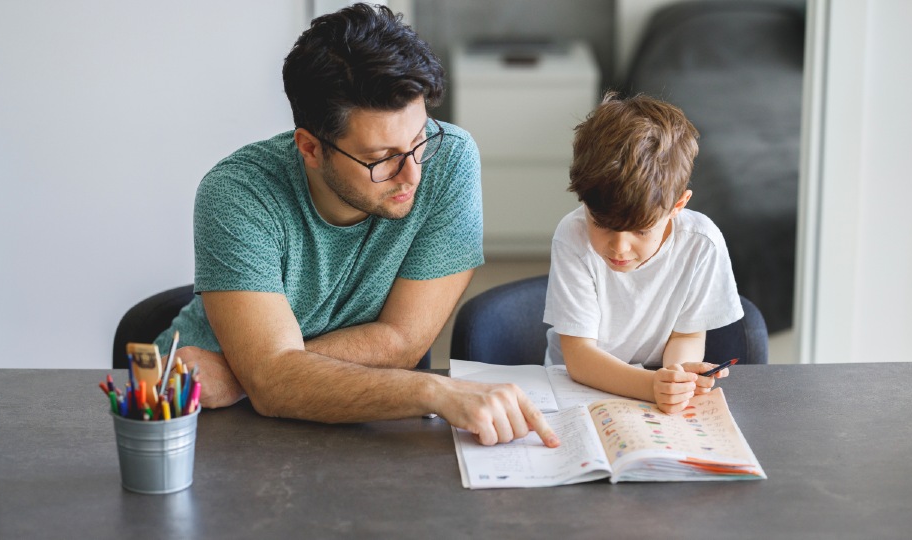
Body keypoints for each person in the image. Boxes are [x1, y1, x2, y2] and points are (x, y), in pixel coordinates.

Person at [154, 4, 558, 448]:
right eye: (380, 158)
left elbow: (402, 341)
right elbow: (271, 387)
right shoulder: (237, 193)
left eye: (420, 138)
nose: (412, 175)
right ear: (310, 148)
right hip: (205, 413)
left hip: (284, 398)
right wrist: (434, 390)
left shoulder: (450, 161)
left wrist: (253, 373)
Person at [543, 92, 744, 414]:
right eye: (603, 225)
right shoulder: (572, 235)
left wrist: (675, 378)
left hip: (654, 383)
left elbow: (686, 334)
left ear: (678, 205)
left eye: (640, 230)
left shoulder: (701, 243)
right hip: (575, 387)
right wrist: (651, 387)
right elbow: (579, 357)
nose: (619, 248)